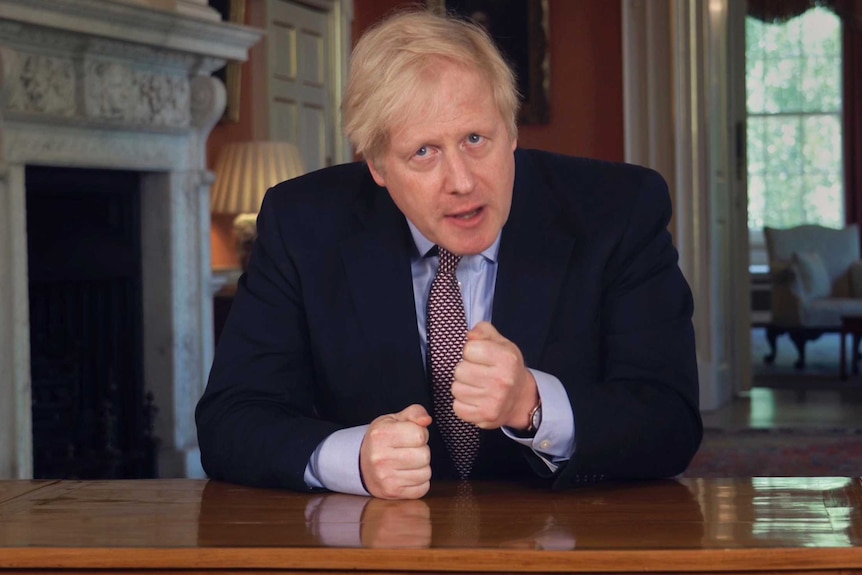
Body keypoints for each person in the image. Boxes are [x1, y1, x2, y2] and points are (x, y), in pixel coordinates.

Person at [196, 8, 702, 500]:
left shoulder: (619, 211)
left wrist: (532, 404)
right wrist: (353, 460)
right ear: (376, 163)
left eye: (476, 139)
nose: (461, 183)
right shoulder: (302, 223)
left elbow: (671, 422)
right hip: (380, 548)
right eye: (423, 152)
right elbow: (231, 420)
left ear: (512, 130)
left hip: (564, 540)